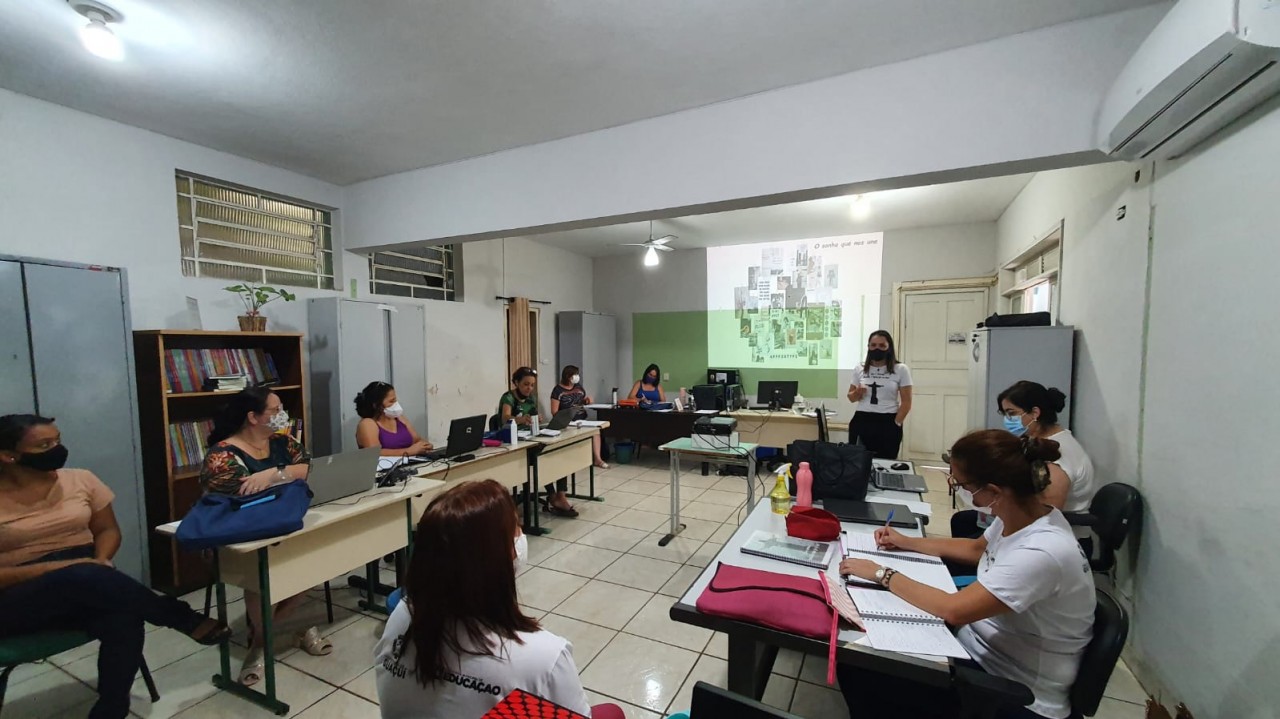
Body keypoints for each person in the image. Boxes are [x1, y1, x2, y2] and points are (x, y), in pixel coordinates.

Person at [837, 430, 1096, 719]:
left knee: (859, 666)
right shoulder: (1024, 513)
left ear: (994, 491)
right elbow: (976, 549)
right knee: (866, 649)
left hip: (1007, 691)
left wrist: (881, 573)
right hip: (981, 649)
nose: (957, 488)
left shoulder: (1042, 551)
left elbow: (954, 610)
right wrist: (907, 542)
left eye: (961, 484)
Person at [0, 414, 229, 719]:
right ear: (8, 455)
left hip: (86, 577)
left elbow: (108, 530)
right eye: (45, 445)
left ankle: (111, 710)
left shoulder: (80, 479)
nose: (57, 449)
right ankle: (179, 617)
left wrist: (100, 561)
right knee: (85, 578)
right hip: (15, 597)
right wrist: (71, 570)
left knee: (123, 616)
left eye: (58, 440)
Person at [374, 480, 624, 719]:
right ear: (495, 558)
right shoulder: (542, 656)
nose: (521, 538)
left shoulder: (403, 616)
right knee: (612, 713)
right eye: (516, 530)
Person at [200, 388, 332, 685]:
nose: (282, 414)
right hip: (241, 536)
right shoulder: (222, 455)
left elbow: (310, 468)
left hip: (288, 524)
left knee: (318, 557)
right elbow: (238, 500)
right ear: (252, 417)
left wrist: (273, 474)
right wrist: (289, 476)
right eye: (275, 409)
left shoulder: (283, 442)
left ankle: (262, 635)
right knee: (263, 578)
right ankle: (263, 643)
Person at [952, 381, 1097, 555]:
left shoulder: (1058, 455)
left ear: (1035, 413)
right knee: (962, 520)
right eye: (1005, 414)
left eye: (1011, 413)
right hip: (1026, 521)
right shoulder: (1038, 442)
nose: (1007, 420)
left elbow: (1043, 512)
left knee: (966, 550)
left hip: (1054, 538)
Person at [499, 367, 577, 518]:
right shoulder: (508, 397)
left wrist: (537, 418)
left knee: (557, 452)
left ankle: (560, 496)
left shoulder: (531, 399)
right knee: (543, 458)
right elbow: (505, 417)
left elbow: (533, 414)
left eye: (532, 385)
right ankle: (553, 495)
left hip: (529, 438)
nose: (529, 388)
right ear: (516, 383)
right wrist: (522, 419)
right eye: (526, 384)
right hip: (512, 441)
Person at [846, 330, 913, 459]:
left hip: (888, 421)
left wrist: (896, 423)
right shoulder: (859, 368)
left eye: (882, 346)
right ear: (868, 347)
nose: (877, 349)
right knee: (857, 462)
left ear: (889, 347)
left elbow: (907, 402)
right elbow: (850, 397)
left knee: (886, 462)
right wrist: (857, 392)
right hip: (862, 420)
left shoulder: (900, 369)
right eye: (873, 345)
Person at [549, 365, 607, 469]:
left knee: (596, 432)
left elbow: (581, 399)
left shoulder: (578, 386)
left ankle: (597, 459)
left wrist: (587, 400)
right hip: (568, 422)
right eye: (575, 374)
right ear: (568, 376)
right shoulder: (558, 390)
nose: (577, 376)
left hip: (582, 418)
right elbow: (554, 412)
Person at [354, 381, 434, 456]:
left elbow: (417, 440)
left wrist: (425, 446)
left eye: (395, 400)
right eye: (391, 401)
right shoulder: (367, 423)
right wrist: (408, 451)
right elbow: (373, 454)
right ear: (376, 405)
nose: (396, 404)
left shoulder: (399, 418)